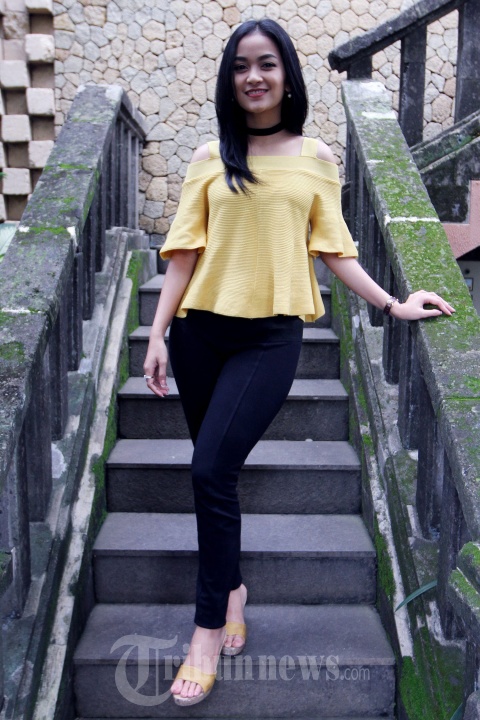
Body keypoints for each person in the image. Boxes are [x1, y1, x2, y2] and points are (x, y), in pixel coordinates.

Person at [143, 18, 455, 707]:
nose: (253, 76)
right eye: (240, 66)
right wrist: (158, 334)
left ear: (287, 74)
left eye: (266, 63)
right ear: (229, 80)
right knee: (215, 477)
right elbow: (184, 254)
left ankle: (204, 631)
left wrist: (394, 304)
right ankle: (232, 590)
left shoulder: (315, 157)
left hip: (269, 340)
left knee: (208, 469)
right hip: (198, 334)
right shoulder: (208, 157)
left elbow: (334, 248)